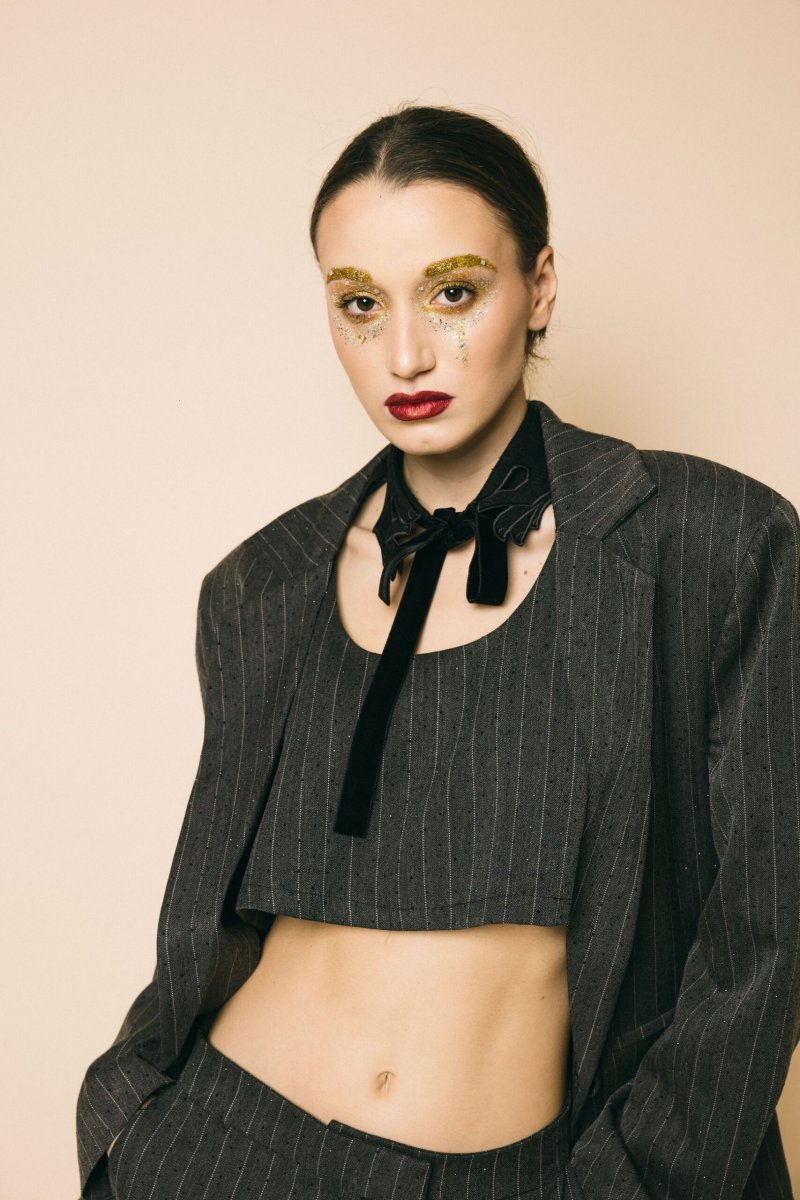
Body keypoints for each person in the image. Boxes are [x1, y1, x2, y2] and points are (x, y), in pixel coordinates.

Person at [76, 103, 800, 1200]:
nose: (404, 353)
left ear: (540, 287)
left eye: (452, 293)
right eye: (360, 304)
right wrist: (130, 1126)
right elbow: (211, 922)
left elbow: (764, 936)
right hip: (216, 1149)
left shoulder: (714, 544)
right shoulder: (262, 585)